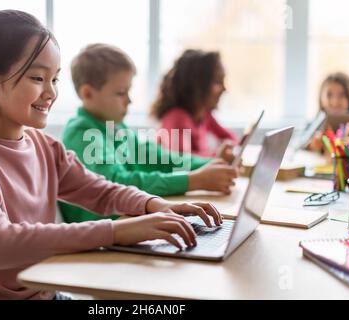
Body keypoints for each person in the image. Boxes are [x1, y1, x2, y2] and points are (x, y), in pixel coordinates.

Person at [0, 10, 223, 300]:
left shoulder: (45, 147)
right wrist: (117, 231)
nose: (51, 93)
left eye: (55, 79)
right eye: (37, 77)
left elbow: (101, 190)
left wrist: (152, 205)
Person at [60, 44, 238, 223]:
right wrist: (193, 180)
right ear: (87, 94)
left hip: (126, 221)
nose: (129, 100)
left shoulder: (117, 128)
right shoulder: (82, 131)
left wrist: (213, 163)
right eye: (121, 93)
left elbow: (162, 158)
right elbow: (118, 184)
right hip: (101, 233)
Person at [150, 49, 238, 161]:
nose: (224, 89)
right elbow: (180, 160)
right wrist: (217, 156)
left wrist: (228, 149)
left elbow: (230, 138)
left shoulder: (204, 115)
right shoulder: (177, 118)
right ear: (197, 85)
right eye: (217, 82)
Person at [307, 72, 349, 152]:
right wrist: (311, 146)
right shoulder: (313, 124)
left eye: (342, 95)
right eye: (329, 95)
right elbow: (296, 145)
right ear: (321, 98)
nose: (335, 103)